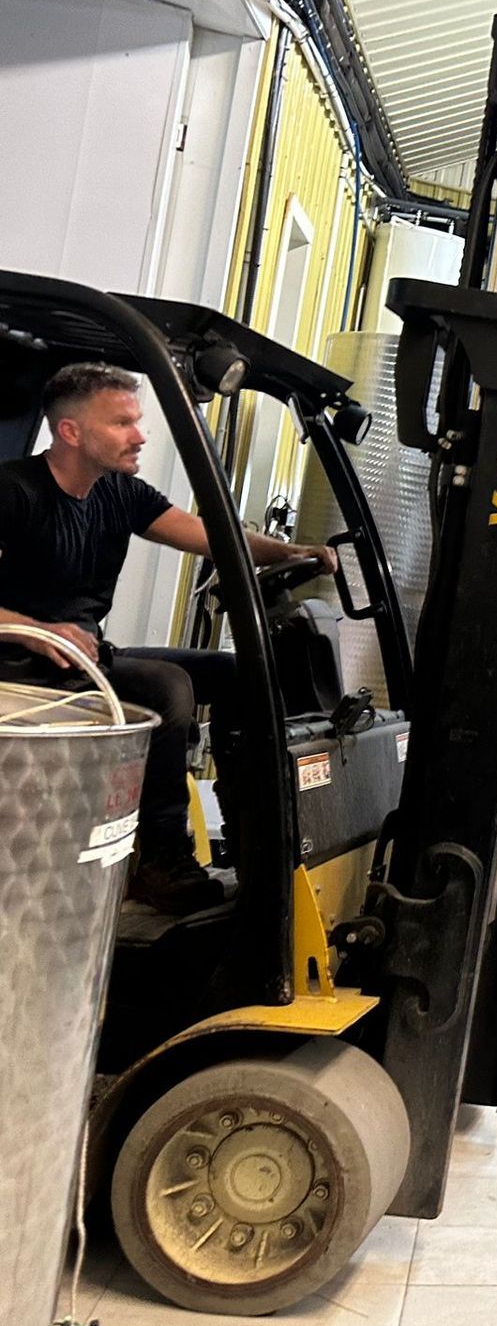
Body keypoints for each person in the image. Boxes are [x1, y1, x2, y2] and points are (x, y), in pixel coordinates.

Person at [0, 363, 338, 914]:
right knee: (166, 686)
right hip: (20, 669)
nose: (139, 435)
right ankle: (159, 856)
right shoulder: (14, 491)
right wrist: (36, 631)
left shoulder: (119, 493)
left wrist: (292, 552)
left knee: (234, 671)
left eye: (138, 421)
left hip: (86, 658)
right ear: (71, 432)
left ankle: (255, 828)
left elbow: (211, 537)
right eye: (122, 423)